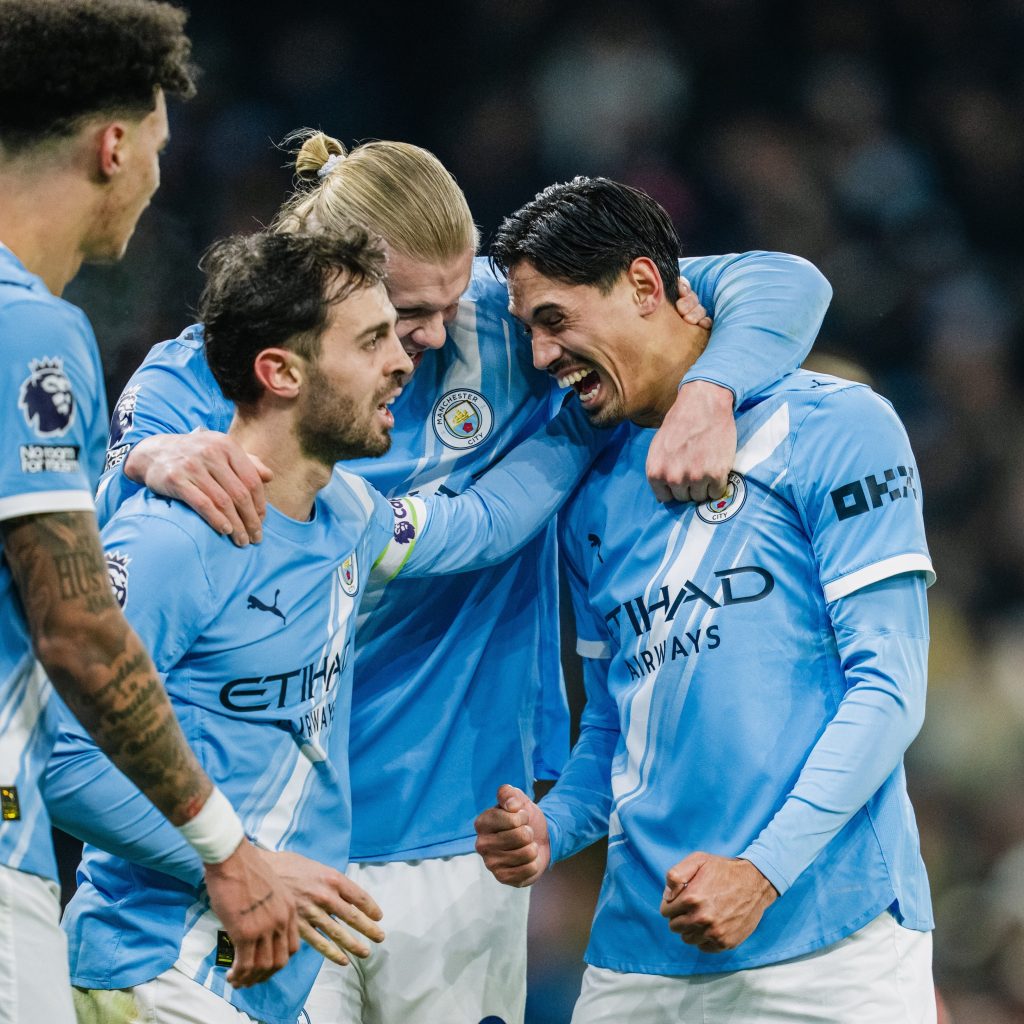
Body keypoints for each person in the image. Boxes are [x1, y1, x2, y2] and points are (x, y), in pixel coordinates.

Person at [97, 132, 833, 1024]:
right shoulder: (199, 374)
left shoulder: (509, 319)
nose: (438, 334)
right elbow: (119, 564)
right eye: (407, 311)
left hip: (461, 831)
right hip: (266, 841)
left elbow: (783, 283)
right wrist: (140, 456)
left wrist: (710, 392)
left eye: (452, 300)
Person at [58, 223, 609, 1024]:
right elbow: (61, 759)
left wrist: (593, 412)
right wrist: (234, 860)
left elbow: (484, 523)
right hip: (157, 963)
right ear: (281, 371)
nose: (404, 362)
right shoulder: (172, 540)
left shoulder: (348, 516)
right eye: (373, 340)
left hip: (261, 975)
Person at [476, 176, 936, 1023]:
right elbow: (613, 729)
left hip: (835, 947)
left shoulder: (836, 426)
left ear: (644, 286)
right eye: (529, 330)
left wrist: (761, 871)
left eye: (555, 319)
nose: (541, 357)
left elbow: (890, 690)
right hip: (639, 958)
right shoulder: (588, 495)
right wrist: (554, 826)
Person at [0, 3, 297, 1018]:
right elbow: (80, 632)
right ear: (114, 146)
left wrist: (131, 460)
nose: (160, 177)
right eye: (160, 148)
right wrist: (223, 844)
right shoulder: (31, 328)